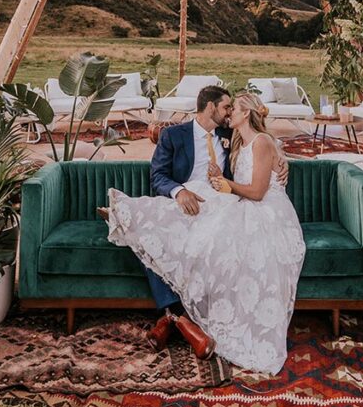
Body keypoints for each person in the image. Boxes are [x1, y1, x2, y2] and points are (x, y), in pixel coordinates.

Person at [104, 90, 306, 376]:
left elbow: (264, 145)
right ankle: (180, 319)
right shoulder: (174, 136)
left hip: (221, 204)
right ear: (209, 107)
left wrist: (282, 161)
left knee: (179, 238)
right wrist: (179, 191)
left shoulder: (230, 131)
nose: (228, 113)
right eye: (224, 107)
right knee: (149, 232)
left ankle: (174, 320)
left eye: (231, 109)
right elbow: (157, 176)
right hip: (187, 203)